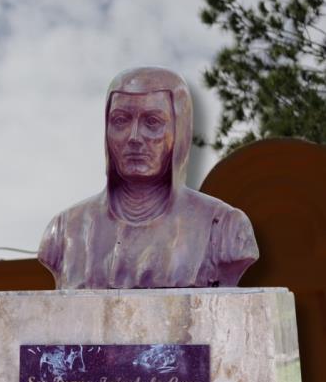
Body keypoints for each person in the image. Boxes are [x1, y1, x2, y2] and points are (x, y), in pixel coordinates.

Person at [38, 67, 259, 289]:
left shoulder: (224, 229)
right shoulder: (65, 231)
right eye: (120, 120)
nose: (134, 137)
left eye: (152, 122)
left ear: (180, 130)